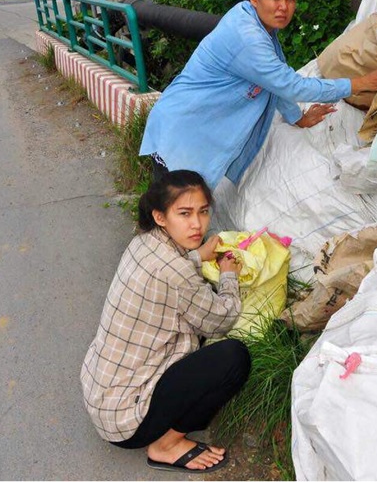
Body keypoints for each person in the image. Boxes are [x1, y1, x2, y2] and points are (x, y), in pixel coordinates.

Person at [140, 0, 377, 189]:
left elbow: (273, 82)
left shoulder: (258, 25)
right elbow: (291, 86)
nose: (284, 8)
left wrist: (296, 118)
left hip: (195, 126)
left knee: (184, 213)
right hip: (183, 129)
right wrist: (361, 83)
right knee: (174, 213)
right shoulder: (248, 37)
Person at [80, 170, 250, 474]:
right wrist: (228, 276)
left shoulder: (142, 243)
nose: (197, 224)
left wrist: (198, 255)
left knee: (192, 324)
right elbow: (221, 320)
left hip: (102, 395)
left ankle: (164, 431)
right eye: (184, 213)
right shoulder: (177, 273)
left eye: (203, 212)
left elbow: (174, 269)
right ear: (160, 216)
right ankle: (165, 445)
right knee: (233, 357)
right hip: (127, 423)